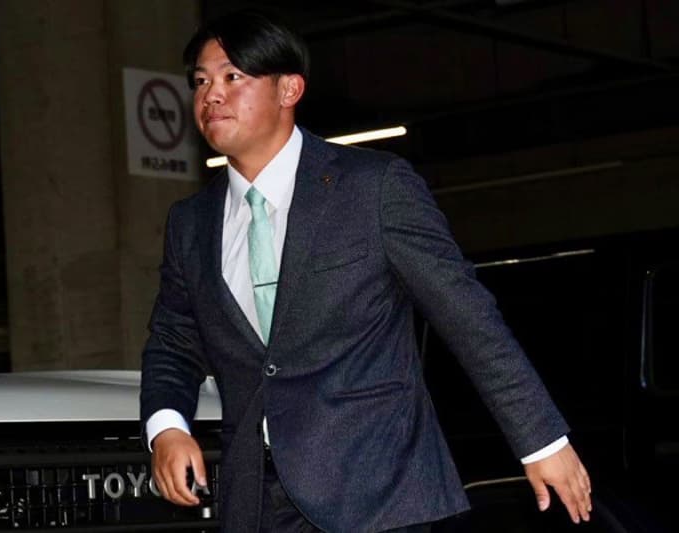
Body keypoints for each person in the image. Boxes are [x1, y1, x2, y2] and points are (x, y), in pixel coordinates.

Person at [140, 9, 592, 533]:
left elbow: (467, 317)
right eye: (201, 82)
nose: (212, 95)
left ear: (289, 89)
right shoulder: (191, 223)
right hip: (256, 501)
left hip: (377, 493)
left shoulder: (373, 188)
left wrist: (541, 441)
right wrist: (166, 427)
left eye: (233, 77)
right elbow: (173, 343)